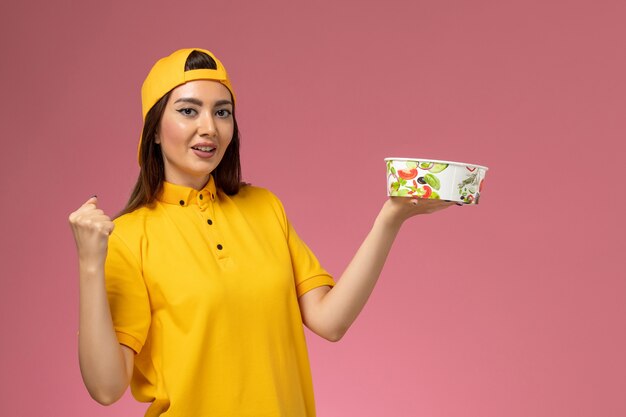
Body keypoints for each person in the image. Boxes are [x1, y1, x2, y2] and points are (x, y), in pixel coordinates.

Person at [68, 48, 454, 417]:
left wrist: (390, 219)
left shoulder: (266, 208)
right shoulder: (129, 237)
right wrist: (89, 263)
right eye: (188, 111)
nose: (209, 127)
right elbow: (106, 388)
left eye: (223, 112)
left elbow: (330, 320)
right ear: (153, 130)